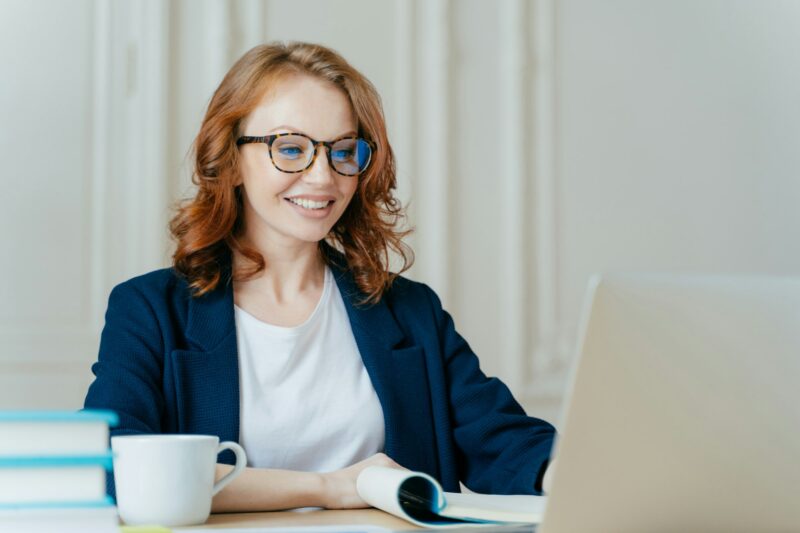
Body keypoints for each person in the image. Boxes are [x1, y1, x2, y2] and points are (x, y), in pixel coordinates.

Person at [84, 41, 555, 512]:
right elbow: (117, 468)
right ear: (229, 161)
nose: (323, 177)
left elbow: (505, 444)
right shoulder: (148, 309)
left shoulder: (408, 310)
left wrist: (580, 472)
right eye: (290, 148)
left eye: (343, 151)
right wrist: (328, 488)